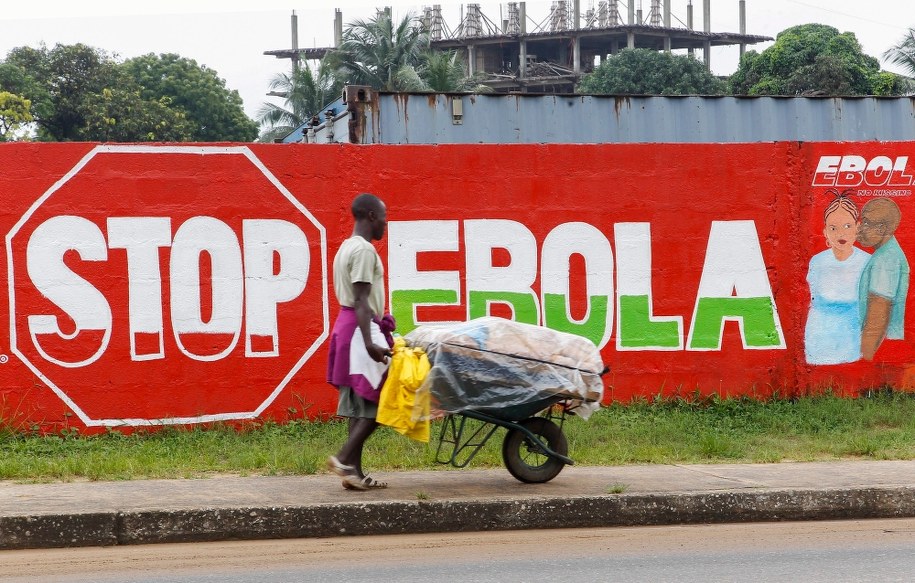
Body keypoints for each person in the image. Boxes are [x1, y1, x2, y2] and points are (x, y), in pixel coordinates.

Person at [326, 193, 394, 490]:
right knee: (383, 399)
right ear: (370, 216)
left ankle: (353, 473)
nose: (385, 223)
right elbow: (362, 300)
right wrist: (370, 343)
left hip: (349, 327)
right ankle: (343, 458)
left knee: (361, 403)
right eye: (383, 216)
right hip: (360, 330)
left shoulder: (346, 247)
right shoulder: (364, 251)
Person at [804, 192, 870, 364]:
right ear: (825, 231)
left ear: (858, 227)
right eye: (833, 228)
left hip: (853, 338)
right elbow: (813, 295)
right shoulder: (818, 261)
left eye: (848, 226)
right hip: (819, 336)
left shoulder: (867, 262)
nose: (841, 233)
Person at [857, 197, 909, 361]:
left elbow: (877, 317)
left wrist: (864, 361)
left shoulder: (885, 260)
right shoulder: (888, 253)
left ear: (881, 228)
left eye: (866, 223)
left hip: (878, 350)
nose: (860, 228)